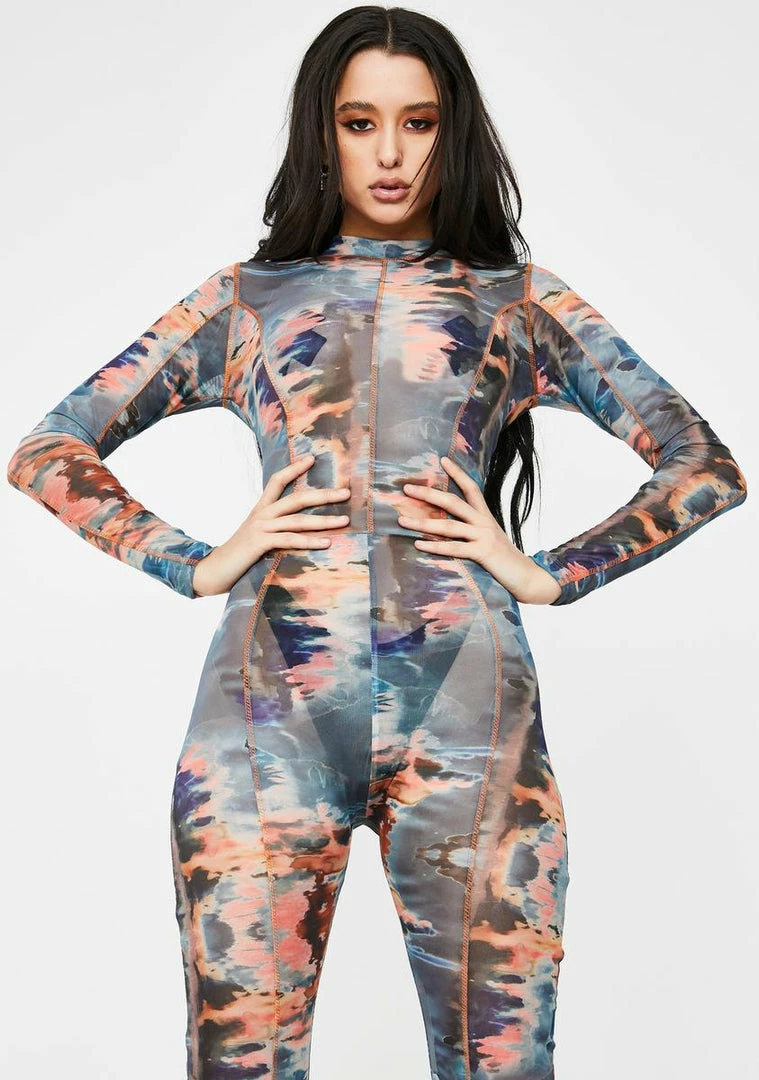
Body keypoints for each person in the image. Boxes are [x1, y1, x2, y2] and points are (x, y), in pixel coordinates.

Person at [5, 7, 748, 1080]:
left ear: (455, 133)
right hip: (263, 728)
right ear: (323, 133)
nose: (391, 153)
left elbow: (702, 464)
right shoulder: (248, 300)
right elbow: (48, 448)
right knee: (240, 1065)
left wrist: (549, 574)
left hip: (470, 732)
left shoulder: (514, 300)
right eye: (360, 123)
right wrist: (194, 560)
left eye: (419, 122)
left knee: (500, 1066)